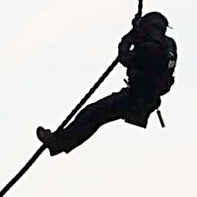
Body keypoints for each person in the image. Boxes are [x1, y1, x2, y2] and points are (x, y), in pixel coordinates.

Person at [36, 10, 178, 157]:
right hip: (147, 97)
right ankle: (59, 142)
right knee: (93, 115)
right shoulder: (168, 46)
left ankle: (59, 143)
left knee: (92, 114)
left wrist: (132, 35)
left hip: (137, 97)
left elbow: (124, 57)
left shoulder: (150, 48)